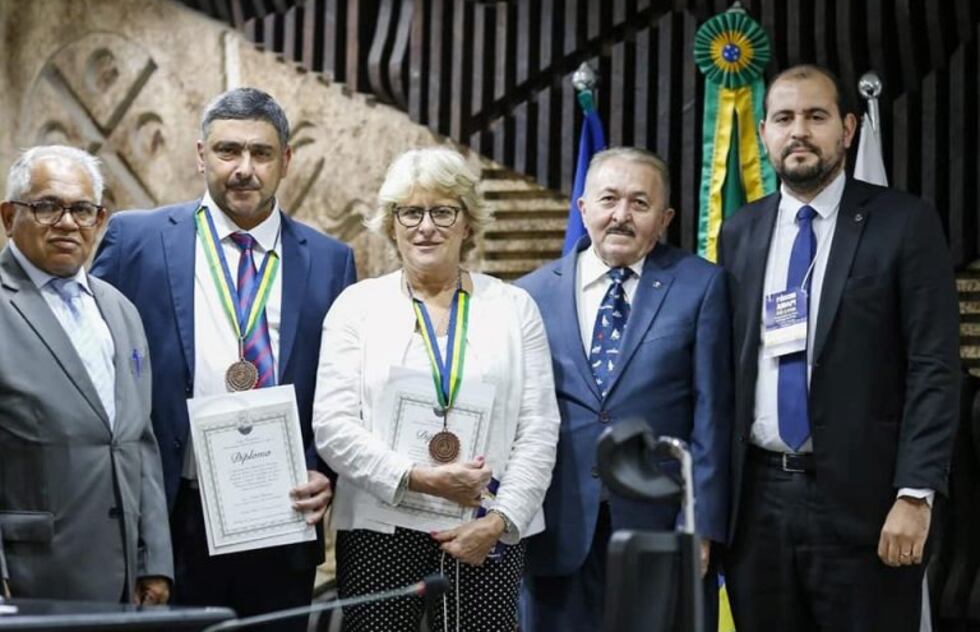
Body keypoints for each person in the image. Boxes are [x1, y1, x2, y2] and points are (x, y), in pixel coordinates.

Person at [91, 88, 356, 627]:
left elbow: (344, 384)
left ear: (285, 161)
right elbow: (91, 360)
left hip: (281, 513)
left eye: (260, 153)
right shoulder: (136, 239)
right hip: (169, 512)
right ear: (200, 155)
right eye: (227, 151)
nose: (244, 169)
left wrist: (324, 467)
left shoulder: (332, 261)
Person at [718, 64, 961, 631]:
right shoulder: (740, 232)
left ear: (848, 129)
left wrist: (916, 494)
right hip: (758, 507)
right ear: (764, 134)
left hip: (870, 505)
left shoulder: (904, 222)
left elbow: (934, 365)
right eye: (783, 117)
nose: (798, 131)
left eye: (816, 116)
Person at [312, 146, 560, 631]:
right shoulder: (355, 307)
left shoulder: (515, 308)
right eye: (411, 212)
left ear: (467, 222)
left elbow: (539, 427)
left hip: (484, 528)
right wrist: (418, 478)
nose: (426, 226)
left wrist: (500, 521)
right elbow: (333, 425)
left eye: (443, 211)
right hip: (380, 528)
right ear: (392, 223)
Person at [516, 146, 732, 631]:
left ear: (666, 217)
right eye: (609, 199)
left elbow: (713, 415)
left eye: (640, 203)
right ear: (583, 208)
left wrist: (699, 528)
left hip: (660, 532)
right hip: (556, 530)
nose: (621, 215)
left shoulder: (701, 287)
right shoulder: (529, 295)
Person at [0, 145, 172, 603]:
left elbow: (140, 442)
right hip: (28, 578)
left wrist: (154, 559)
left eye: (81, 209)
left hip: (122, 582)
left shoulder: (121, 310)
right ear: (8, 216)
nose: (67, 222)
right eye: (47, 207)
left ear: (99, 220)